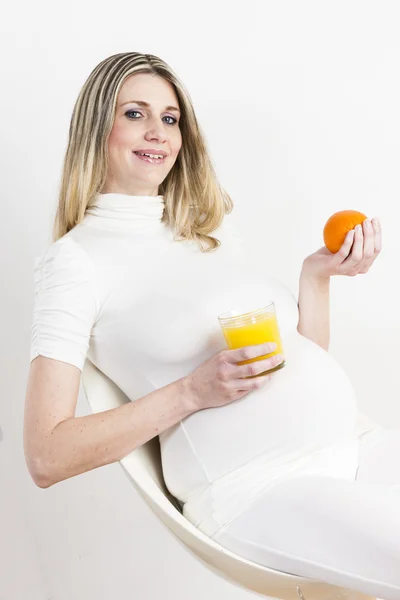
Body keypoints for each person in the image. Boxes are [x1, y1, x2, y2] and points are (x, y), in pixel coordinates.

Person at [24, 52, 399, 600]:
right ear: (96, 126)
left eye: (171, 118)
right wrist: (191, 392)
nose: (158, 132)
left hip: (352, 448)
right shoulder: (75, 262)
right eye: (135, 113)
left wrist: (315, 277)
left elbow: (299, 357)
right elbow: (46, 455)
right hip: (259, 488)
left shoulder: (207, 234)